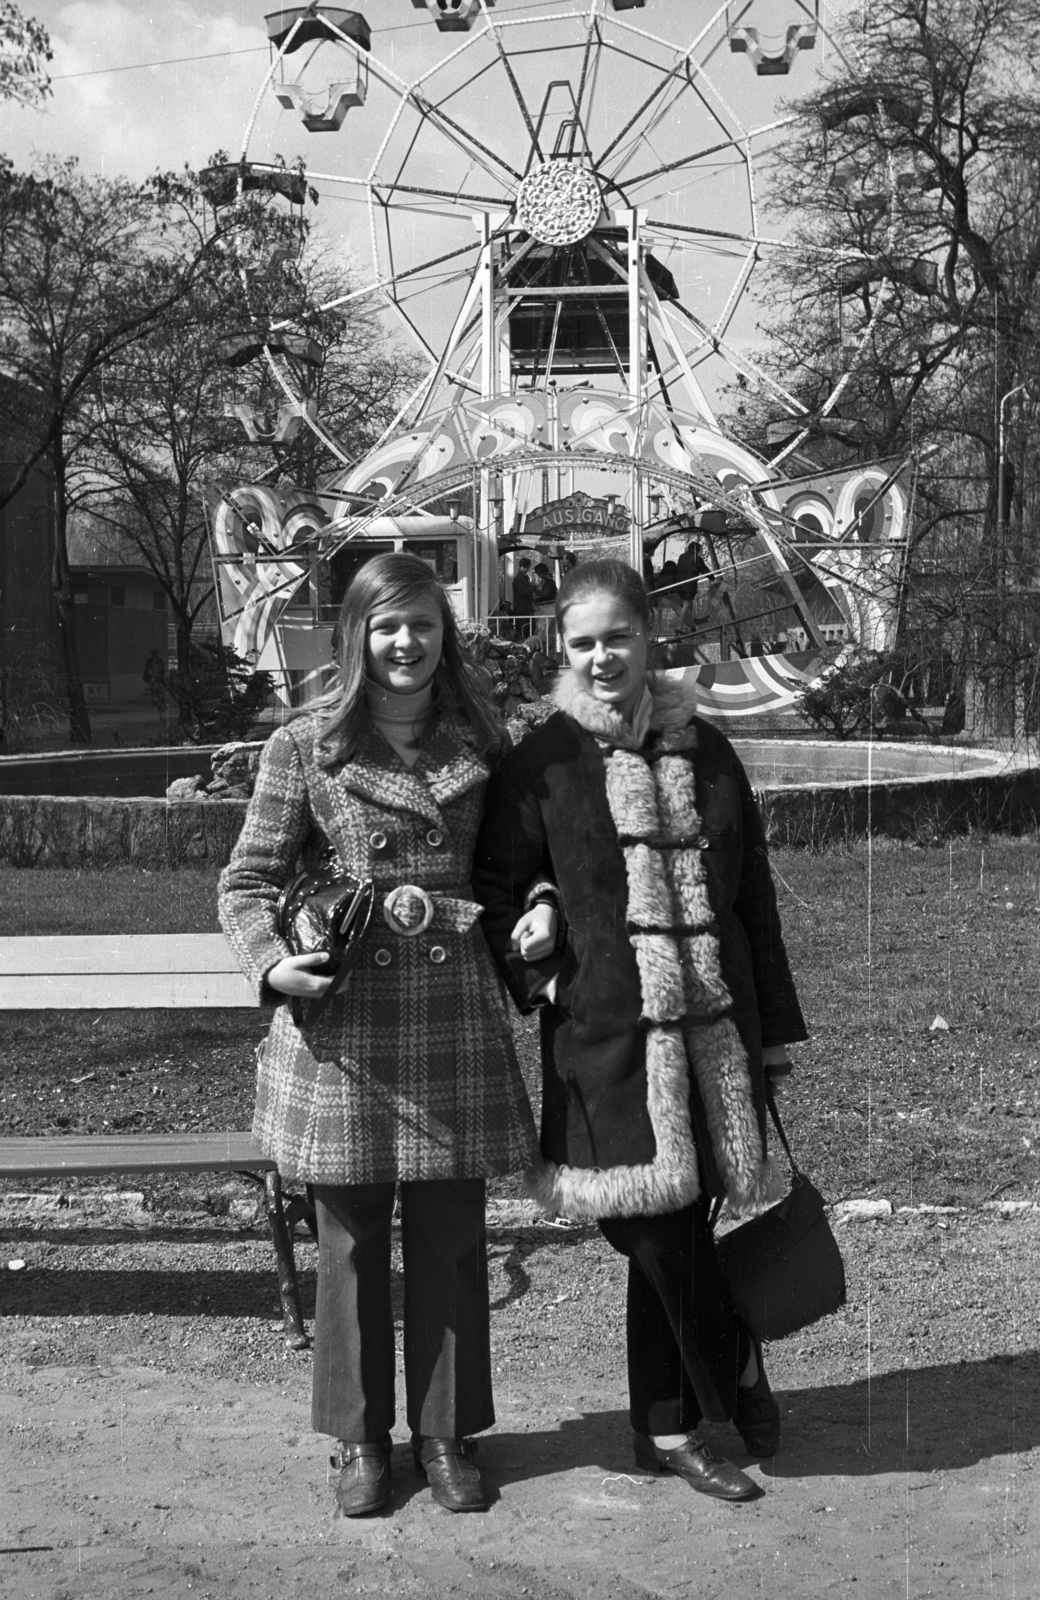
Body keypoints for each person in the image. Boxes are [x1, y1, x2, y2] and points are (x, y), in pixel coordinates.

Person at [472, 558, 808, 1504]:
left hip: (712, 1033)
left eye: (616, 636)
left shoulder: (708, 749)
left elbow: (752, 899)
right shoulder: (540, 761)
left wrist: (770, 1033)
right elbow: (497, 888)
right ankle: (733, 1363)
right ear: (562, 651)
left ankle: (662, 1429)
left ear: (648, 637)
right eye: (582, 642)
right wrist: (530, 946)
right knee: (648, 1231)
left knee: (677, 1224)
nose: (601, 656)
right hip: (602, 1037)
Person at [219, 552, 538, 1519]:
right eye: (386, 626)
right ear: (356, 636)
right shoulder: (306, 745)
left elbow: (521, 862)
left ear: (447, 635)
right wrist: (272, 962)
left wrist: (542, 902)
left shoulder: (486, 738)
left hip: (448, 1021)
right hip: (346, 1027)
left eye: (424, 625)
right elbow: (245, 881)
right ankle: (359, 1439)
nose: (406, 643)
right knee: (351, 1246)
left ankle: (447, 1435)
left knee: (449, 1242)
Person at [674, 539, 710, 633]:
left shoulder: (682, 557)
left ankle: (692, 625)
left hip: (680, 584)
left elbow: (678, 569)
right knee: (686, 604)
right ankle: (679, 627)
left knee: (689, 605)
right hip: (689, 586)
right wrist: (712, 577)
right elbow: (704, 570)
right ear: (697, 550)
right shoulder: (697, 559)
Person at [511, 556, 535, 637]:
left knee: (528, 630)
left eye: (527, 567)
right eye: (525, 567)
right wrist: (533, 587)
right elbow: (522, 593)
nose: (526, 569)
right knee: (522, 631)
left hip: (525, 609)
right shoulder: (518, 579)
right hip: (521, 609)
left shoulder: (524, 578)